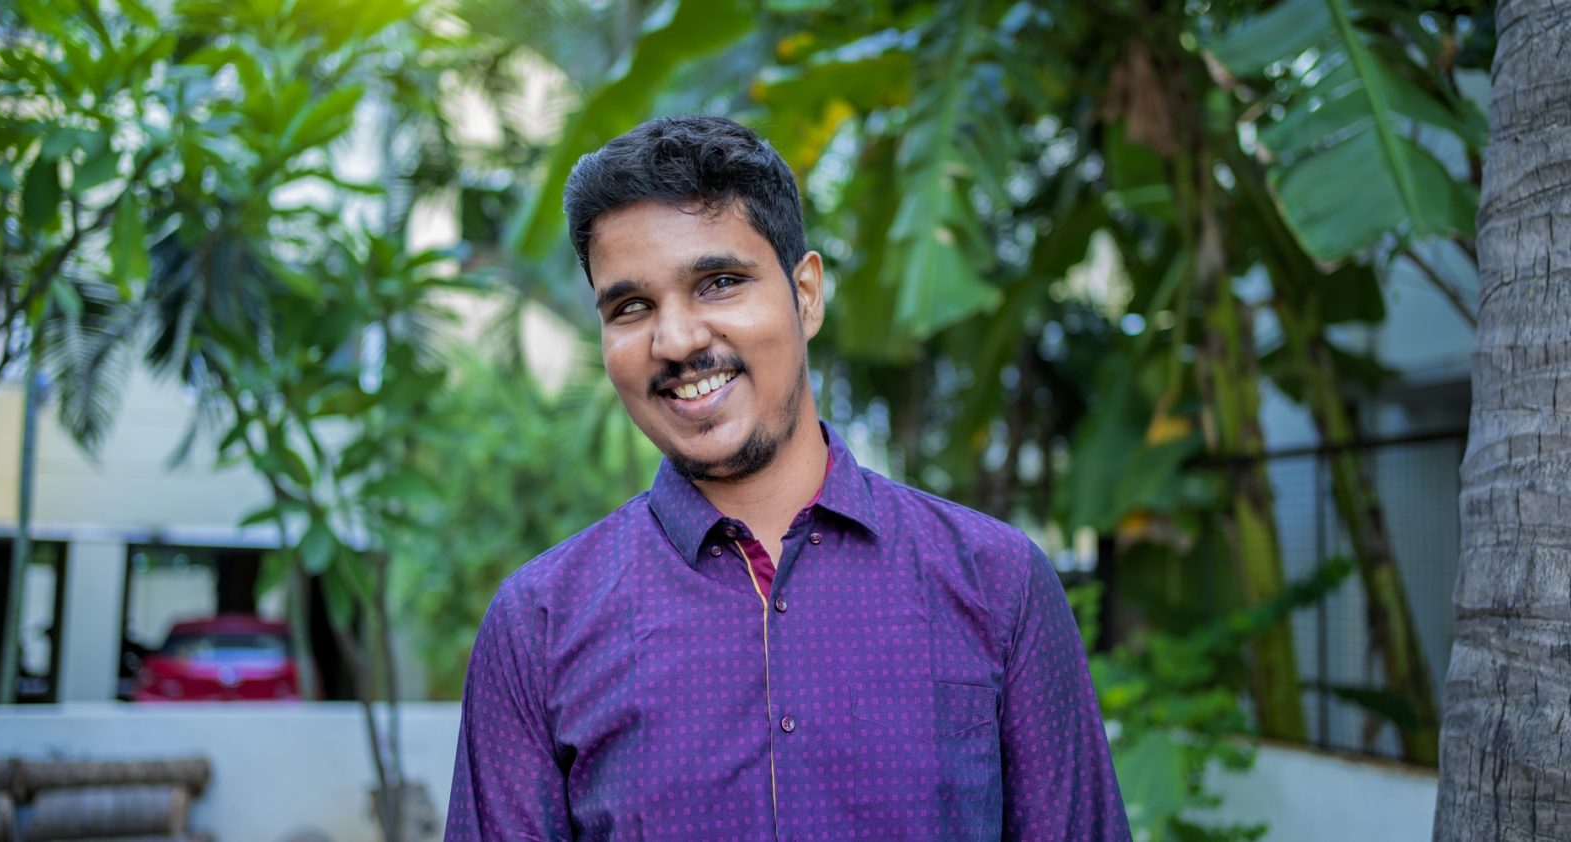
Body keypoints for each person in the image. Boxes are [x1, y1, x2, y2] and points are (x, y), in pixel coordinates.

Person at [445, 115, 1132, 841]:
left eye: (718, 283)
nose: (675, 340)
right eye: (631, 306)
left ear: (806, 294)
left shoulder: (998, 585)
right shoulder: (539, 625)